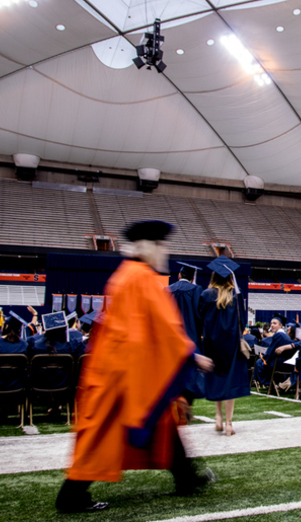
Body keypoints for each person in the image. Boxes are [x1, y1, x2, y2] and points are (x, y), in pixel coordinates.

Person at [55, 220, 215, 513]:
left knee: (162, 425)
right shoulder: (140, 278)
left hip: (118, 369)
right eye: (161, 244)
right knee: (103, 439)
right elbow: (165, 328)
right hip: (123, 377)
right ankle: (71, 496)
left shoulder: (125, 275)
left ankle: (187, 478)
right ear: (148, 246)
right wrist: (191, 354)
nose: (164, 250)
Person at [199, 257, 250, 436]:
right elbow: (242, 322)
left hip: (212, 344)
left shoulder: (205, 295)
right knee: (229, 383)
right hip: (231, 344)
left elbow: (200, 319)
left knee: (216, 379)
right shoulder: (236, 295)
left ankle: (218, 418)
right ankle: (229, 423)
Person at [168, 262, 205, 403]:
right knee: (188, 375)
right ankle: (185, 404)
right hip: (190, 339)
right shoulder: (197, 290)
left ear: (179, 275)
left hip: (171, 340)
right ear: (191, 278)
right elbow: (201, 315)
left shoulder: (167, 290)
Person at [253, 314, 295, 387]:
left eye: (275, 323)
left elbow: (270, 352)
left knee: (259, 362)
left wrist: (263, 357)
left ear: (281, 325)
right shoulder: (285, 336)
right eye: (271, 323)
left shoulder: (278, 335)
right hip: (286, 365)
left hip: (278, 364)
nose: (272, 325)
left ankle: (267, 383)